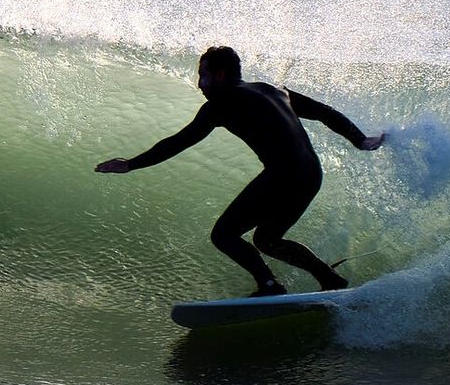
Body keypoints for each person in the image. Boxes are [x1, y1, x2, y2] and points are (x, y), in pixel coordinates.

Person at [96, 46, 384, 296]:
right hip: (310, 174)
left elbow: (180, 142)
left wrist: (130, 164)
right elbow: (324, 112)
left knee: (224, 235)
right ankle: (330, 280)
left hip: (283, 175)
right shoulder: (274, 90)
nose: (200, 84)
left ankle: (270, 286)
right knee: (267, 240)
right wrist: (359, 139)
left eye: (203, 75)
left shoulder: (221, 104)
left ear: (220, 75)